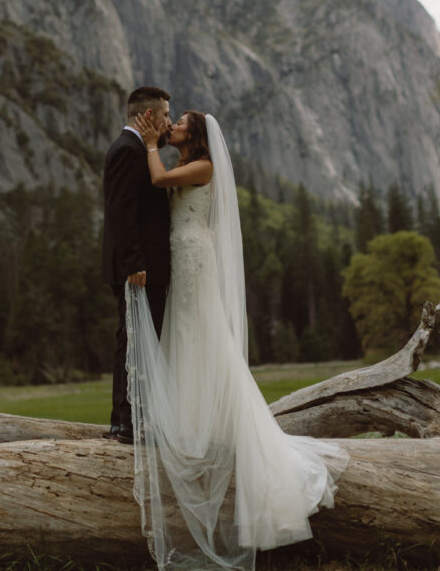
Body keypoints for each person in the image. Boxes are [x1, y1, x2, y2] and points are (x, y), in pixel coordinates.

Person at [127, 109, 349, 570]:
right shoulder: (192, 160)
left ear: (198, 134)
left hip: (193, 257)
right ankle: (198, 420)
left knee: (203, 335)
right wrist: (158, 139)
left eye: (181, 121)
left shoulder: (202, 167)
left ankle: (223, 429)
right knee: (188, 336)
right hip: (183, 255)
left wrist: (151, 145)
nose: (175, 126)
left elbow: (159, 181)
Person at [102, 86, 173, 445]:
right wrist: (133, 262)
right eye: (165, 115)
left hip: (143, 266)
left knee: (137, 340)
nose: (168, 122)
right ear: (148, 116)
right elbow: (120, 210)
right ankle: (125, 421)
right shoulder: (128, 151)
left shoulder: (137, 149)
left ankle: (130, 418)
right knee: (131, 341)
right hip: (138, 267)